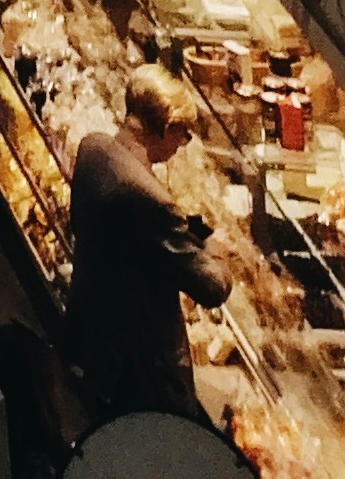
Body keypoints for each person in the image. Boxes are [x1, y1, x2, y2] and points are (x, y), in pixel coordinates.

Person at [65, 70, 232, 430]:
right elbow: (213, 288)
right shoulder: (149, 199)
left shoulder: (93, 148)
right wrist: (217, 249)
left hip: (90, 334)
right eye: (184, 135)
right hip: (136, 373)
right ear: (168, 128)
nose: (182, 145)